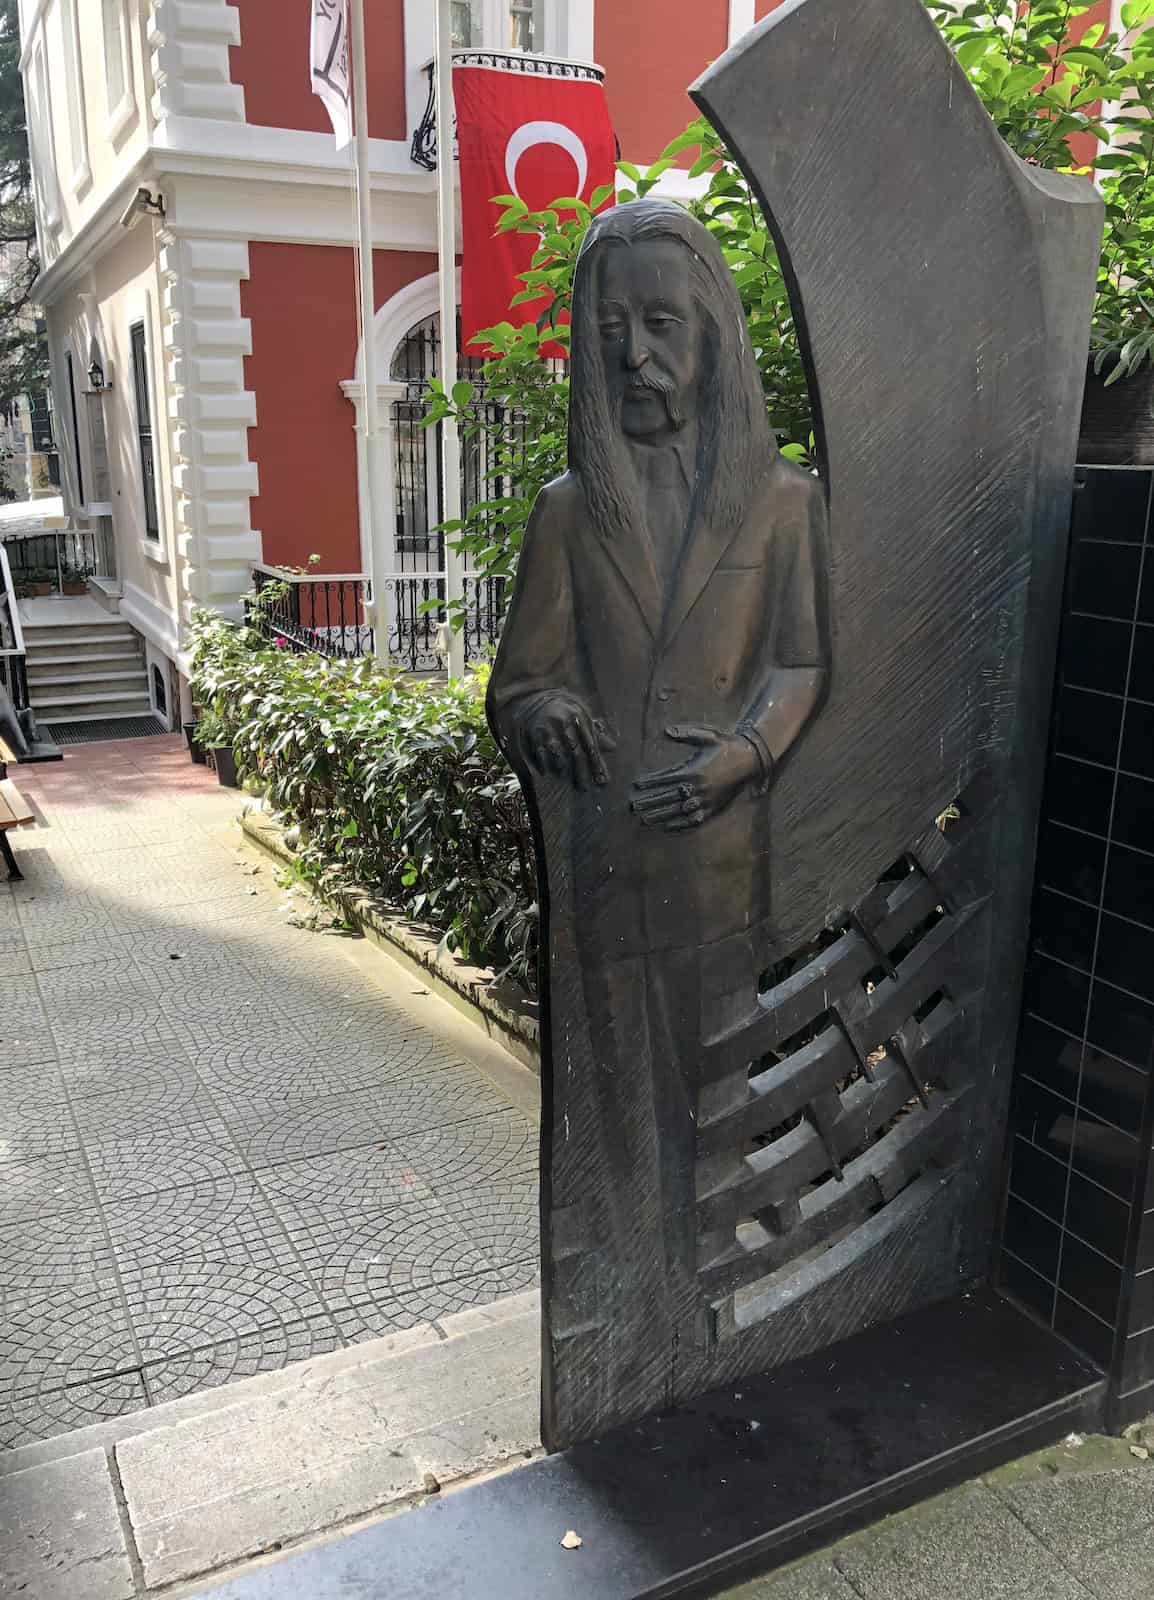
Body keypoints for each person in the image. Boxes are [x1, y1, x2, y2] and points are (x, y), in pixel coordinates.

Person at [486, 197, 828, 1436]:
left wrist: (741, 758)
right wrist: (541, 716)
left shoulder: (783, 504)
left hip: (724, 867)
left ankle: (715, 1298)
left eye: (662, 325)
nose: (637, 353)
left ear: (713, 337)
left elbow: (799, 667)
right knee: (619, 1100)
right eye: (613, 327)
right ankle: (635, 1312)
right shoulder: (568, 516)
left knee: (720, 1089)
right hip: (608, 876)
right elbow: (515, 684)